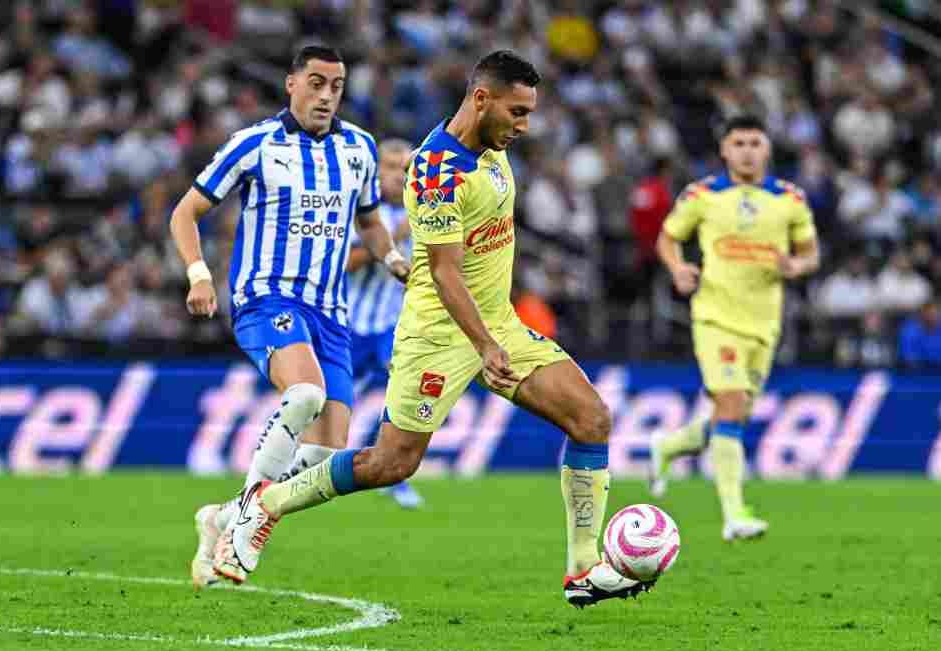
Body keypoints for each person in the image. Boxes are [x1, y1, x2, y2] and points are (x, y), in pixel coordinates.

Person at [211, 50, 651, 609]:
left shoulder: (493, 148)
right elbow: (444, 273)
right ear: (481, 99)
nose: (524, 126)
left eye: (529, 113)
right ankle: (266, 504)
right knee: (392, 463)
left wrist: (496, 335)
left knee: (592, 419)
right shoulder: (436, 170)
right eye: (517, 113)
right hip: (439, 334)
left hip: (498, 325)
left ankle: (583, 568)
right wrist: (484, 345)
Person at [169, 45, 409, 588]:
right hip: (267, 298)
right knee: (304, 396)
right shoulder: (254, 144)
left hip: (331, 312)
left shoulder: (359, 149)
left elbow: (370, 220)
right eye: (317, 83)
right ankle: (248, 526)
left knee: (327, 452)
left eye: (337, 86)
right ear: (291, 84)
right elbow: (186, 212)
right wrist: (199, 274)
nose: (327, 95)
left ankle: (222, 517)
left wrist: (391, 258)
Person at [649, 115, 820, 541]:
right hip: (715, 316)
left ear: (768, 149)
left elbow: (811, 254)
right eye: (738, 143)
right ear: (724, 150)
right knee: (730, 404)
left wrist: (795, 265)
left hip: (764, 323)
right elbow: (667, 238)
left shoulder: (790, 199)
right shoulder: (703, 195)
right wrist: (677, 269)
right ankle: (734, 514)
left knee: (734, 413)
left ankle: (668, 446)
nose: (747, 150)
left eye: (754, 142)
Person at [345, 137, 423, 510]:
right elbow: (345, 264)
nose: (397, 176)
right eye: (389, 167)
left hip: (393, 327)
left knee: (408, 394)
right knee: (332, 401)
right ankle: (302, 466)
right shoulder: (361, 213)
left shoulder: (425, 215)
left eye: (404, 168)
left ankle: (393, 473)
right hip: (350, 325)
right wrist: (390, 243)